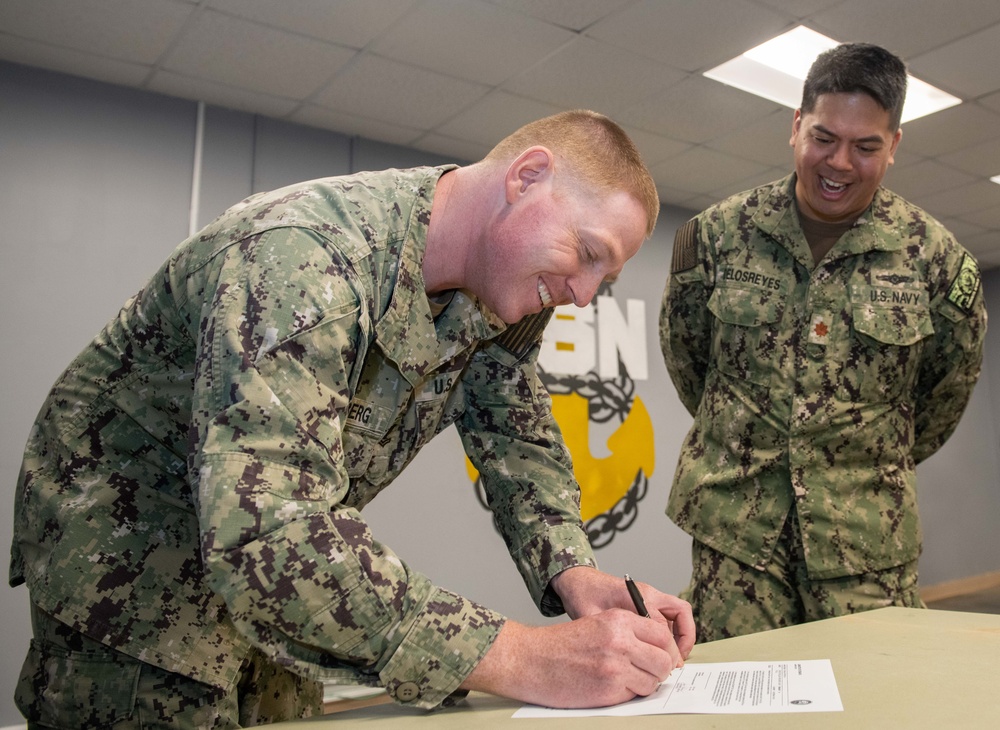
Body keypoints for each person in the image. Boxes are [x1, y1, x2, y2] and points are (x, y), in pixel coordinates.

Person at [10, 109, 695, 727]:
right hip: (133, 583)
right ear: (528, 177)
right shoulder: (303, 255)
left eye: (602, 281)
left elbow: (517, 434)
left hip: (282, 599)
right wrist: (523, 657)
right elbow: (272, 530)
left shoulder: (504, 291)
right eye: (589, 254)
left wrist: (576, 575)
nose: (580, 295)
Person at [660, 44, 987, 642]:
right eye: (824, 137)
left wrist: (855, 465)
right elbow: (690, 362)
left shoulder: (934, 261)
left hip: (865, 542)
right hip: (736, 537)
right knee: (739, 699)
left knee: (875, 702)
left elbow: (942, 395)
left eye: (866, 147)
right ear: (795, 126)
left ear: (894, 145)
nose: (839, 162)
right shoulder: (716, 237)